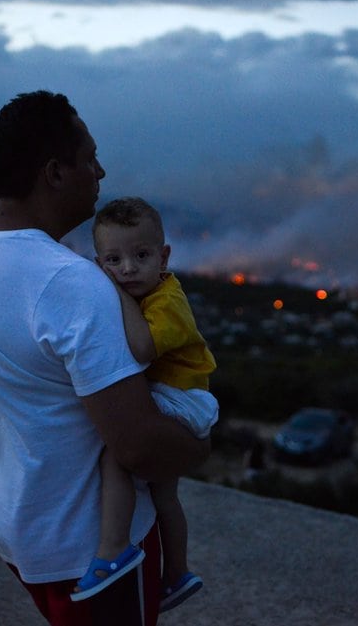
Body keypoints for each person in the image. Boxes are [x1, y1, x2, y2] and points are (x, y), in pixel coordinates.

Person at [0, 91, 210, 626]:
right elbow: (137, 445)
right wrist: (200, 445)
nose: (101, 170)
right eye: (89, 157)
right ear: (55, 173)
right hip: (91, 549)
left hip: (20, 528)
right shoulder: (72, 281)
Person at [80, 197, 218, 612]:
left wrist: (110, 289)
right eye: (113, 259)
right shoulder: (148, 289)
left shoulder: (167, 299)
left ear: (164, 255)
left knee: (118, 453)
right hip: (181, 394)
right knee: (165, 497)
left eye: (141, 256)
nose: (127, 269)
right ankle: (177, 574)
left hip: (184, 398)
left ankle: (113, 549)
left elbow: (141, 348)